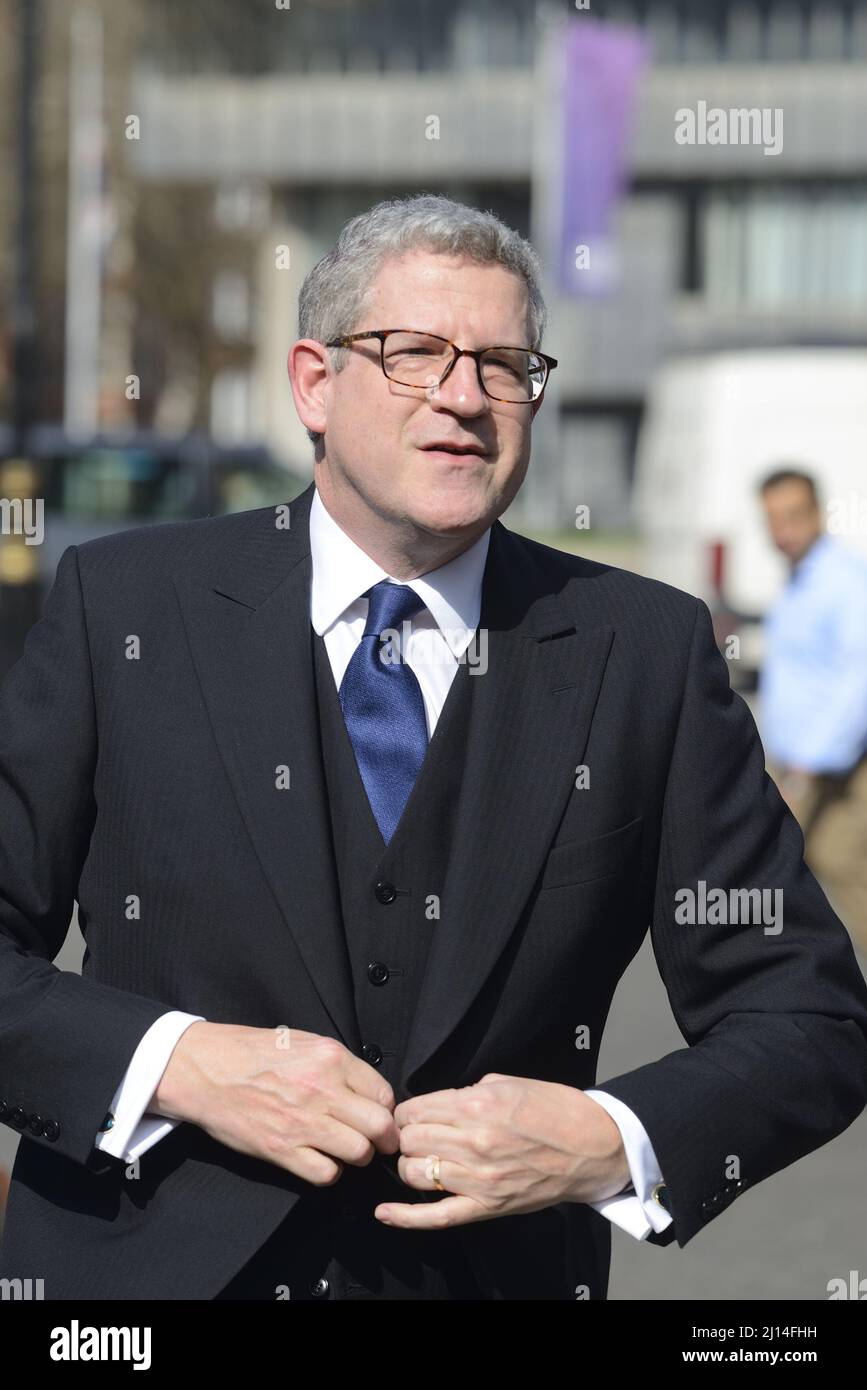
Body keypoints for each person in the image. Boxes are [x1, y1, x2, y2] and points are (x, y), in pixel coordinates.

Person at [1, 196, 866, 1302]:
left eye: (504, 365)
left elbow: (810, 1015)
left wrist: (610, 1136)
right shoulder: (122, 607)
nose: (465, 396)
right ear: (314, 382)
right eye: (415, 355)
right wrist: (177, 1065)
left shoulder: (643, 653)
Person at [758, 468, 867, 960]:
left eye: (794, 516)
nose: (783, 530)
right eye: (773, 519)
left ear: (819, 514)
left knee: (849, 878)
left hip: (835, 772)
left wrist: (804, 772)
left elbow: (857, 685)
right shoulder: (799, 580)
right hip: (800, 766)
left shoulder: (844, 582)